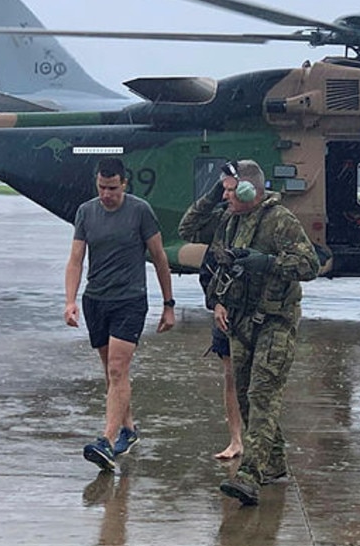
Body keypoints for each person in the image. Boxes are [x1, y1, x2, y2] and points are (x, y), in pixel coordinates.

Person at [205, 160, 320, 506]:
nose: (225, 196)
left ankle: (250, 475)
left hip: (276, 322)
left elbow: (310, 264)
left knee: (262, 395)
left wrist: (268, 263)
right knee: (245, 395)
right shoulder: (230, 221)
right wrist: (219, 302)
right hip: (241, 322)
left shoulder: (280, 221)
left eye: (230, 190)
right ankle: (275, 464)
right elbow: (219, 264)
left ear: (248, 191)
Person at [65, 157, 175, 471]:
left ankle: (107, 441)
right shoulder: (86, 212)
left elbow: (159, 256)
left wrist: (169, 304)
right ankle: (129, 429)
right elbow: (75, 260)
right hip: (96, 300)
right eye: (102, 187)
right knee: (111, 373)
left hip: (130, 299)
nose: (107, 194)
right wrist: (70, 301)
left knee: (117, 370)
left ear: (124, 184)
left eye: (113, 188)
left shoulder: (140, 211)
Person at [178, 176, 243, 460]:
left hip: (257, 310)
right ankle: (236, 440)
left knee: (258, 380)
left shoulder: (270, 219)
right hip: (224, 308)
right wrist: (214, 191)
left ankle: (262, 441)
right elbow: (187, 227)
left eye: (232, 190)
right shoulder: (221, 221)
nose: (227, 195)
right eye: (225, 190)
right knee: (231, 375)